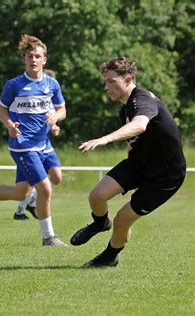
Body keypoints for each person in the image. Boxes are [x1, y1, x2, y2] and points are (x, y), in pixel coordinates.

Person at [70, 57, 186, 268]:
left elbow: (140, 126)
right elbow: (134, 142)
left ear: (128, 79)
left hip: (165, 176)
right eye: (105, 82)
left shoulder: (142, 100)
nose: (106, 87)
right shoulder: (125, 108)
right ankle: (100, 223)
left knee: (123, 219)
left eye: (111, 81)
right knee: (97, 196)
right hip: (139, 164)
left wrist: (105, 139)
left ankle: (109, 257)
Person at [0, 34, 67, 246]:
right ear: (24, 59)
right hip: (22, 146)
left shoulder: (52, 84)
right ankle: (48, 237)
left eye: (37, 56)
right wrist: (10, 125)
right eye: (29, 56)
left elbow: (62, 108)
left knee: (20, 193)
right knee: (44, 188)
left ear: (45, 59)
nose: (33, 60)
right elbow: (1, 109)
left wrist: (56, 117)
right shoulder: (14, 84)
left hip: (43, 146)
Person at [13, 69, 62, 221]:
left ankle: (32, 204)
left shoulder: (52, 103)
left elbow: (54, 121)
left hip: (45, 145)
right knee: (34, 186)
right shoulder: (27, 93)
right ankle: (21, 210)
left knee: (56, 177)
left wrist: (55, 127)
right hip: (29, 145)